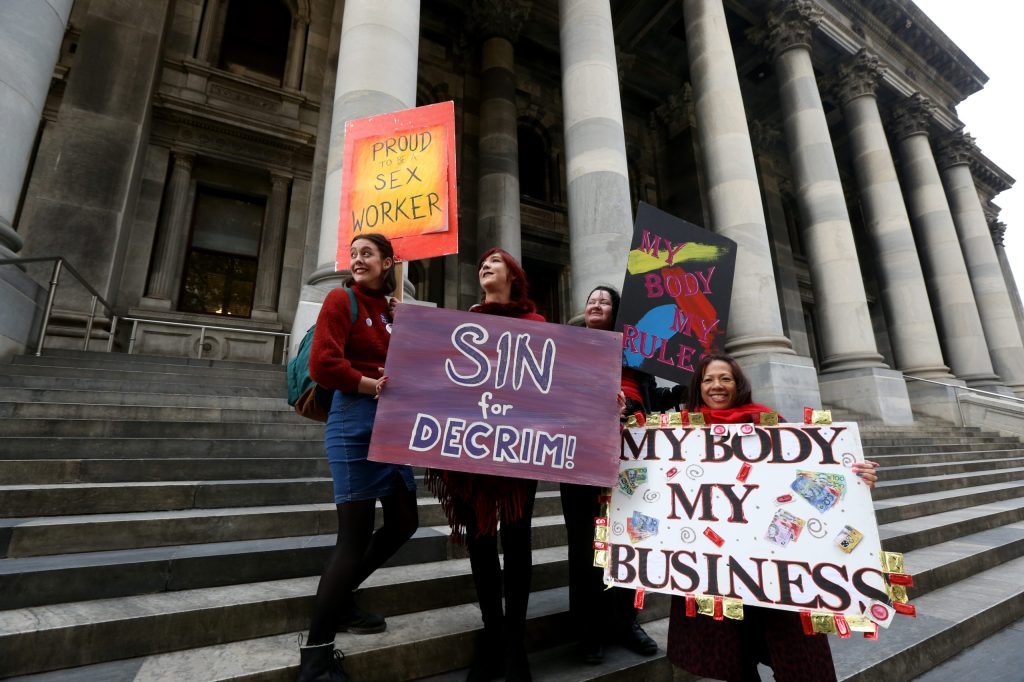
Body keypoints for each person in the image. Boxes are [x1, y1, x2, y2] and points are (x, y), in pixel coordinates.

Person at [665, 353, 878, 682]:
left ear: (738, 384)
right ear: (698, 387)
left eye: (725, 378)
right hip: (714, 566)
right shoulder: (676, 435)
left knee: (792, 654)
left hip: (773, 562)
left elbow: (812, 475)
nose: (717, 386)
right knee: (731, 656)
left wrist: (853, 477)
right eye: (708, 379)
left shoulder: (768, 422)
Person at [297, 233, 418, 682]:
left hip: (393, 426)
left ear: (388, 262)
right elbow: (323, 365)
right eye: (354, 254)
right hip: (354, 423)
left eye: (367, 254)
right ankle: (316, 654)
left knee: (405, 521)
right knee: (354, 536)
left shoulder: (389, 312)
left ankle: (343, 597)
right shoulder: (338, 299)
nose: (357, 260)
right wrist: (370, 385)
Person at [426, 248, 544, 682]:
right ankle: (492, 633)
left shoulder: (536, 327)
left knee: (516, 541)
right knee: (479, 541)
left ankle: (515, 642)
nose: (485, 267)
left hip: (518, 450)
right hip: (471, 453)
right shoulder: (464, 323)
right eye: (482, 264)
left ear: (513, 275)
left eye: (495, 262)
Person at [560, 285, 683, 664]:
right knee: (585, 549)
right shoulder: (570, 349)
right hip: (581, 461)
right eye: (591, 300)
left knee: (630, 543)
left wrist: (686, 387)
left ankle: (627, 622)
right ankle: (588, 631)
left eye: (604, 301)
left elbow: (651, 398)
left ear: (617, 312)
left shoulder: (637, 359)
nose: (595, 304)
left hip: (632, 465)